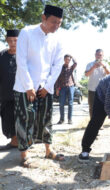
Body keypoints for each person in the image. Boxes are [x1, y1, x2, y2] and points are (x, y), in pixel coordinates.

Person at [13, 5, 65, 167]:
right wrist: (29, 87)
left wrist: (48, 87)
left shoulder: (57, 39)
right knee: (25, 119)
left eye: (59, 23)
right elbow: (20, 60)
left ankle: (48, 151)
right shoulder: (27, 32)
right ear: (43, 18)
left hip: (45, 88)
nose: (56, 26)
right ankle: (24, 155)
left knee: (46, 118)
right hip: (24, 86)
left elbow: (57, 65)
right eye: (53, 22)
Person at [0, 29, 19, 151]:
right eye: (10, 40)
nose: (13, 43)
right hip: (5, 93)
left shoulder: (25, 55)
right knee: (7, 118)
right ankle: (14, 141)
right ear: (7, 40)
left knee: (22, 118)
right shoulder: (1, 55)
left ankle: (24, 142)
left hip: (21, 93)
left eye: (15, 41)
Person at [85, 49, 110, 118]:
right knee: (92, 107)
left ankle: (100, 124)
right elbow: (86, 74)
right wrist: (93, 67)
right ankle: (92, 123)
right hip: (92, 89)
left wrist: (103, 66)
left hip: (102, 89)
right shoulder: (90, 64)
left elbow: (109, 74)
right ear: (95, 55)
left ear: (103, 56)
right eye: (97, 55)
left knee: (102, 107)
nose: (98, 56)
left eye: (100, 55)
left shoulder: (106, 64)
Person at [55, 54, 77, 124]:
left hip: (71, 87)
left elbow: (76, 63)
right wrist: (57, 89)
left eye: (69, 60)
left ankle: (70, 119)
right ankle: (61, 119)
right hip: (62, 87)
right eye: (66, 59)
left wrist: (72, 56)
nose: (67, 61)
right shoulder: (60, 68)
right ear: (64, 60)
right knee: (61, 104)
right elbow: (57, 79)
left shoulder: (71, 68)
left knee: (70, 103)